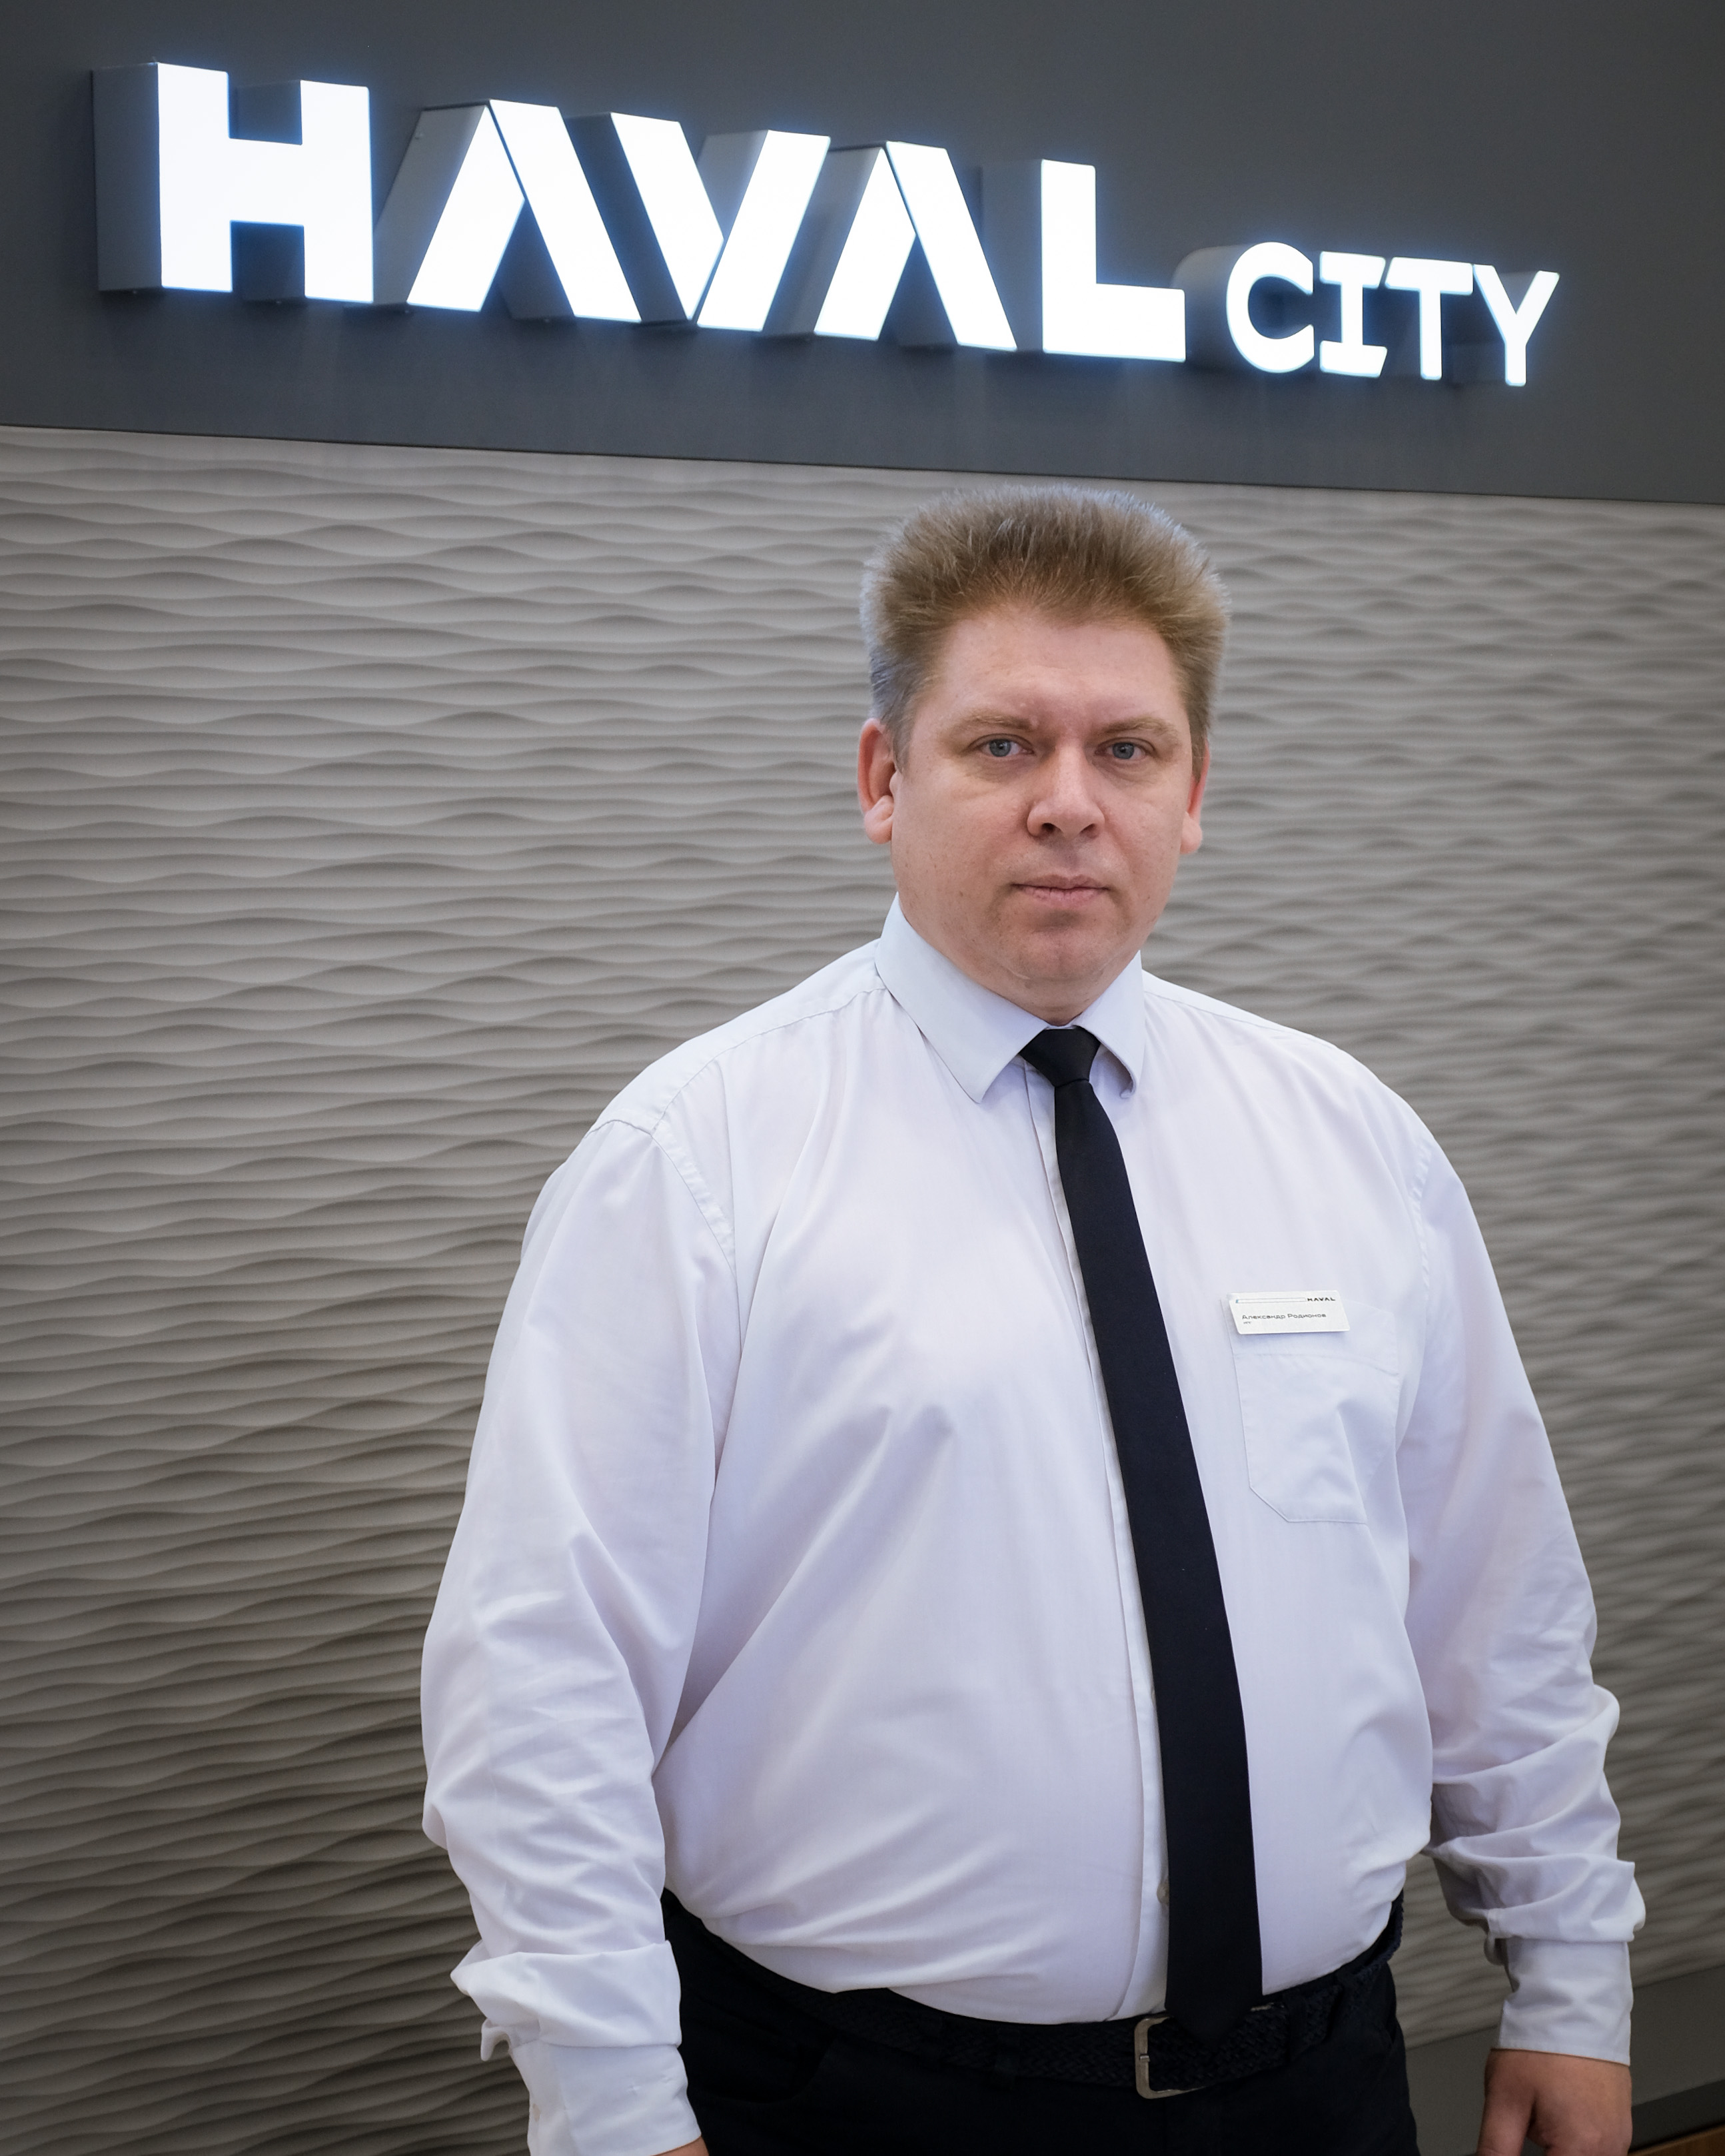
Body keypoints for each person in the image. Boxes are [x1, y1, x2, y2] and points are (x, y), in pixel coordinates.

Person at [421, 486, 1642, 2156]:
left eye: (1125, 751)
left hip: (1319, 2082)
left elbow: (1492, 1611)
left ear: (1190, 796)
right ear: (882, 778)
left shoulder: (1350, 1139)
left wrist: (1569, 1976)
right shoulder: (693, 1162)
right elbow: (541, 1678)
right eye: (1001, 745)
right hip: (860, 2100)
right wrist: (614, 2108)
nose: (1068, 801)